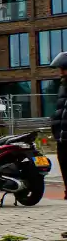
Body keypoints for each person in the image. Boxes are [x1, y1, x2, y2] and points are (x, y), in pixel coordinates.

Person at [51, 52, 67, 200]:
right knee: (63, 161)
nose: (61, 72)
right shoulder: (63, 86)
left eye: (63, 68)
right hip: (62, 135)